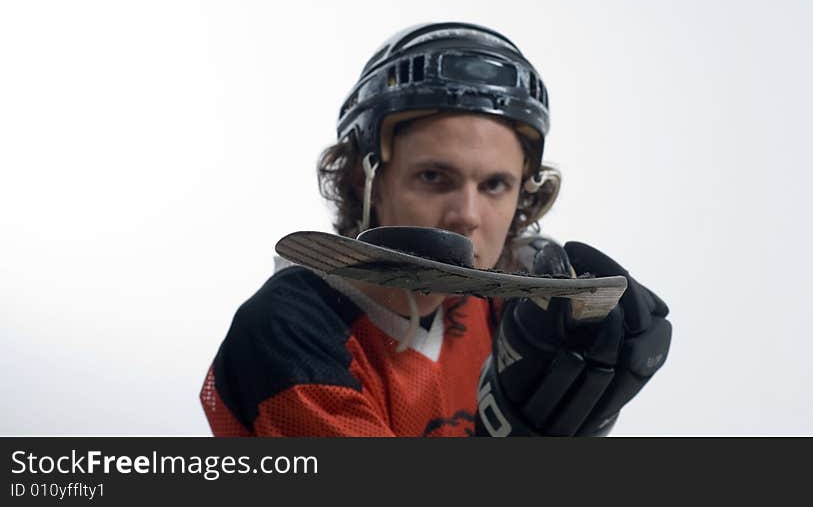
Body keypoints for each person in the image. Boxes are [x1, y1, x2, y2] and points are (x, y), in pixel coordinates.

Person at [199, 22, 672, 436]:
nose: (467, 215)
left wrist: (587, 420)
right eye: (434, 177)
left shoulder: (508, 319)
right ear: (366, 177)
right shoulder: (289, 327)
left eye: (494, 185)